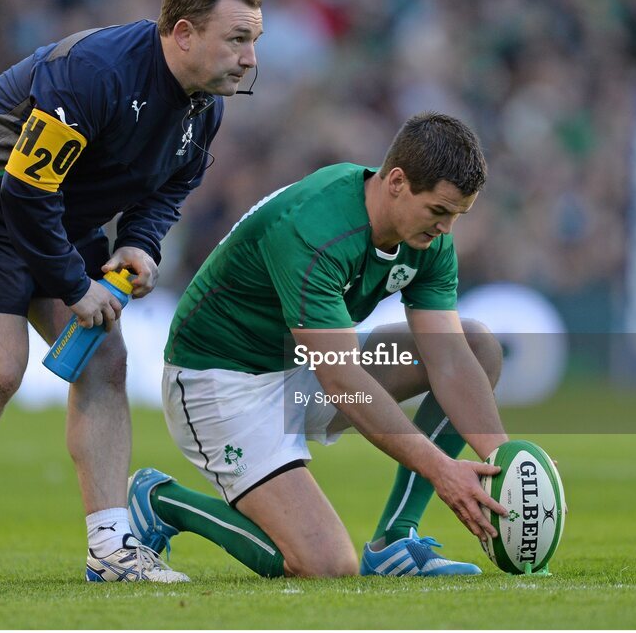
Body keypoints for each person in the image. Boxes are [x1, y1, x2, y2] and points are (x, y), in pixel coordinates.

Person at [0, 0, 264, 587]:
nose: (250, 57)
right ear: (182, 33)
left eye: (253, 40)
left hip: (55, 210)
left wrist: (138, 243)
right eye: (237, 39)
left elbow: (173, 182)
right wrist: (75, 287)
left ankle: (112, 546)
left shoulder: (204, 108)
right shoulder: (96, 73)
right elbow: (23, 189)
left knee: (105, 364)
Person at [128, 112, 510, 578]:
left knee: (477, 346)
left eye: (457, 216)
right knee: (325, 566)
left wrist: (507, 466)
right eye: (438, 211)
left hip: (302, 365)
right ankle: (162, 501)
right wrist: (441, 469)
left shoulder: (427, 237)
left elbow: (449, 358)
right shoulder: (316, 227)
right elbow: (342, 378)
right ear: (396, 181)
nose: (447, 230)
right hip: (220, 381)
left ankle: (395, 540)